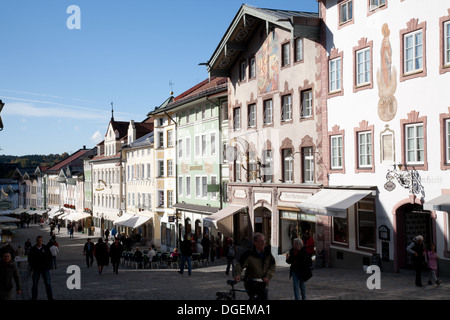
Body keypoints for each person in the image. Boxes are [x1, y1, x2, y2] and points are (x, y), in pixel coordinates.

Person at [234, 233, 276, 300]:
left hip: (263, 283)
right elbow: (240, 264)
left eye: (264, 241)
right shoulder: (249, 254)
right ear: (255, 243)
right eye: (260, 241)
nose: (263, 243)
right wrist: (237, 274)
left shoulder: (267, 253)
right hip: (251, 283)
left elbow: (272, 266)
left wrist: (268, 276)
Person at [28, 235, 53, 300]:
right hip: (36, 269)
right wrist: (32, 266)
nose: (39, 241)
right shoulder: (33, 249)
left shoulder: (46, 248)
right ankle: (34, 298)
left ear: (42, 241)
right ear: (36, 241)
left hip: (45, 268)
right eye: (38, 240)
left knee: (48, 283)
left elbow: (50, 257)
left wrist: (49, 265)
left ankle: (50, 297)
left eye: (40, 240)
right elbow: (30, 259)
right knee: (35, 284)